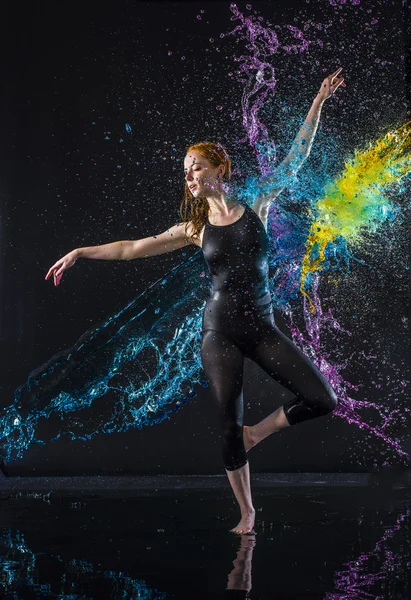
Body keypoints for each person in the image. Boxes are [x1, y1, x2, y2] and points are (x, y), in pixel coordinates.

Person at [44, 68, 345, 533]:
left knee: (321, 398)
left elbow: (297, 156)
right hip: (219, 331)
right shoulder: (193, 229)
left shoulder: (258, 201)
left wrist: (319, 100)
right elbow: (131, 248)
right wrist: (80, 252)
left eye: (196, 168)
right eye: (185, 173)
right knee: (227, 423)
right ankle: (247, 513)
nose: (189, 177)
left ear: (219, 169)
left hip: (261, 329)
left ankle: (256, 435)